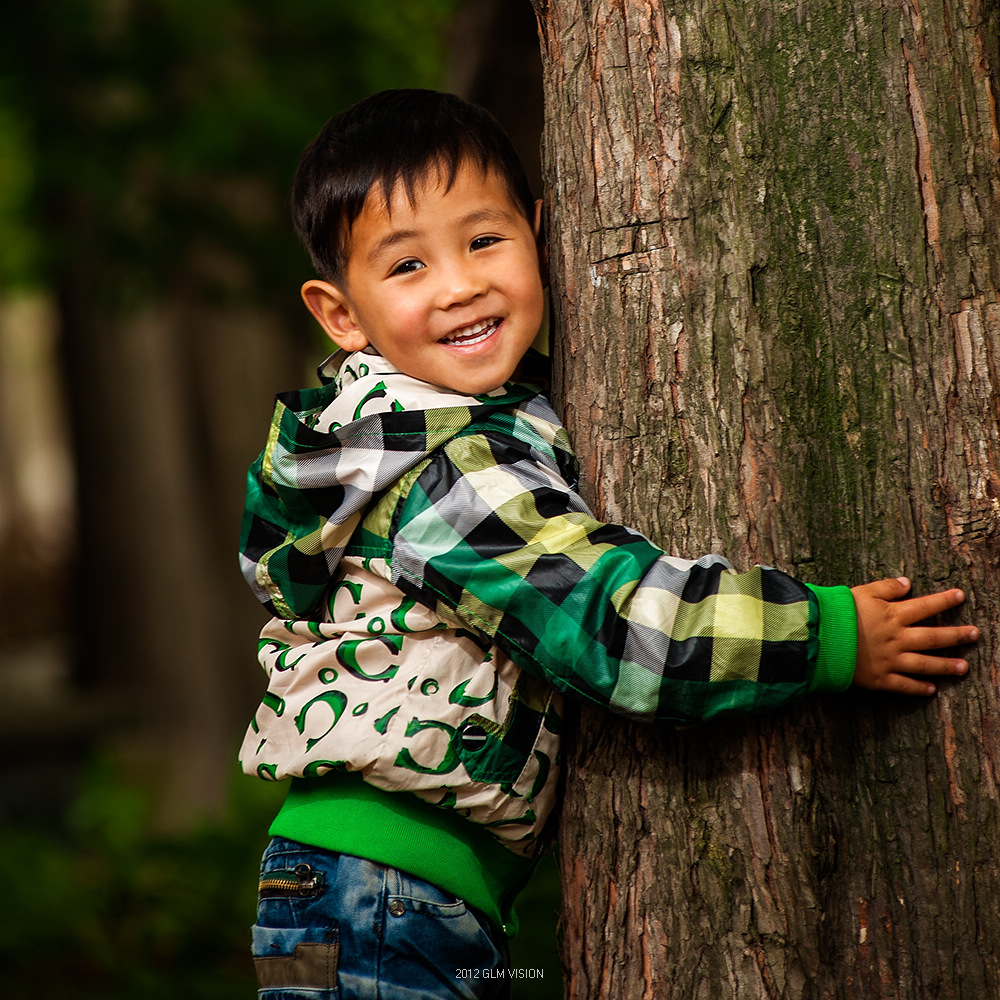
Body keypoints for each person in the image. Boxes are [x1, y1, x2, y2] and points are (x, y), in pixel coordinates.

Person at [238, 89, 978, 1000]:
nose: (460, 283)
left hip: (356, 894)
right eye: (406, 266)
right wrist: (827, 635)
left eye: (483, 240)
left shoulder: (436, 433)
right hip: (383, 900)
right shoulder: (445, 471)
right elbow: (617, 624)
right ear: (340, 313)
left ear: (539, 232)